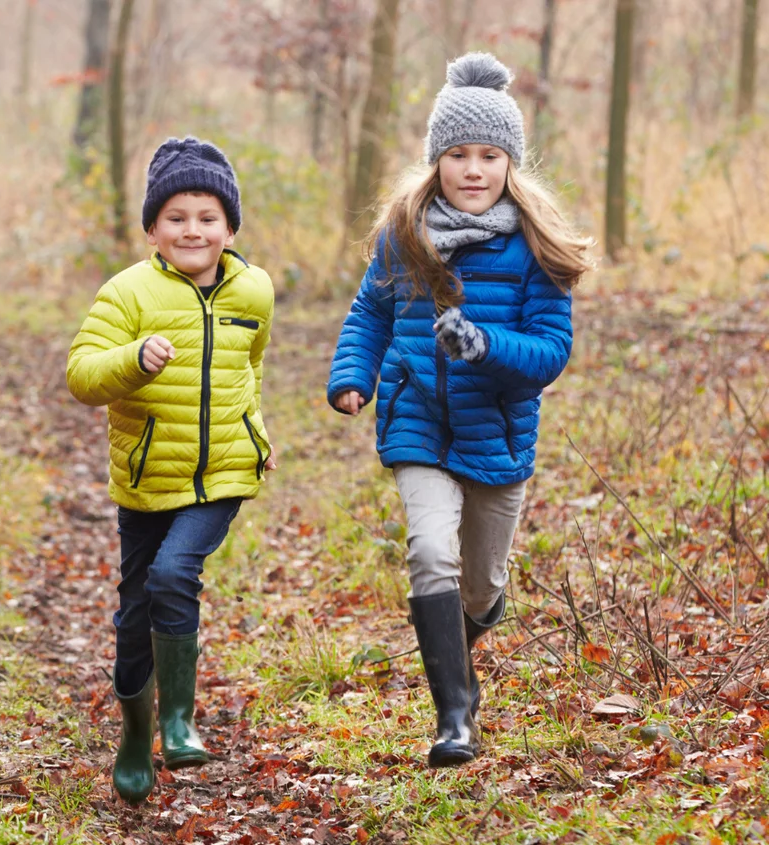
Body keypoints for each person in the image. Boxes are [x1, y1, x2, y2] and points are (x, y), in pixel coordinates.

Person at [327, 54, 593, 767]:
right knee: (429, 551)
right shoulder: (404, 232)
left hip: (498, 435)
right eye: (456, 154)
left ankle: (462, 644)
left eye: (488, 155)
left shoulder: (535, 246)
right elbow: (369, 315)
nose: (472, 169)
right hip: (418, 422)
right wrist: (354, 375)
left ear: (510, 161)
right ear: (435, 159)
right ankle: (454, 716)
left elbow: (550, 352)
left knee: (482, 586)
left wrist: (482, 343)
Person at [67, 137, 276, 803]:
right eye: (177, 217)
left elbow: (250, 368)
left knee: (173, 573)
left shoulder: (255, 289)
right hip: (147, 476)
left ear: (230, 227)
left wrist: (258, 431)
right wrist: (132, 359)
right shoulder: (127, 293)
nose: (193, 230)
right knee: (135, 612)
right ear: (153, 227)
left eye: (208, 217)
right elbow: (81, 375)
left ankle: (180, 722)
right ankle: (135, 737)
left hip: (223, 473)